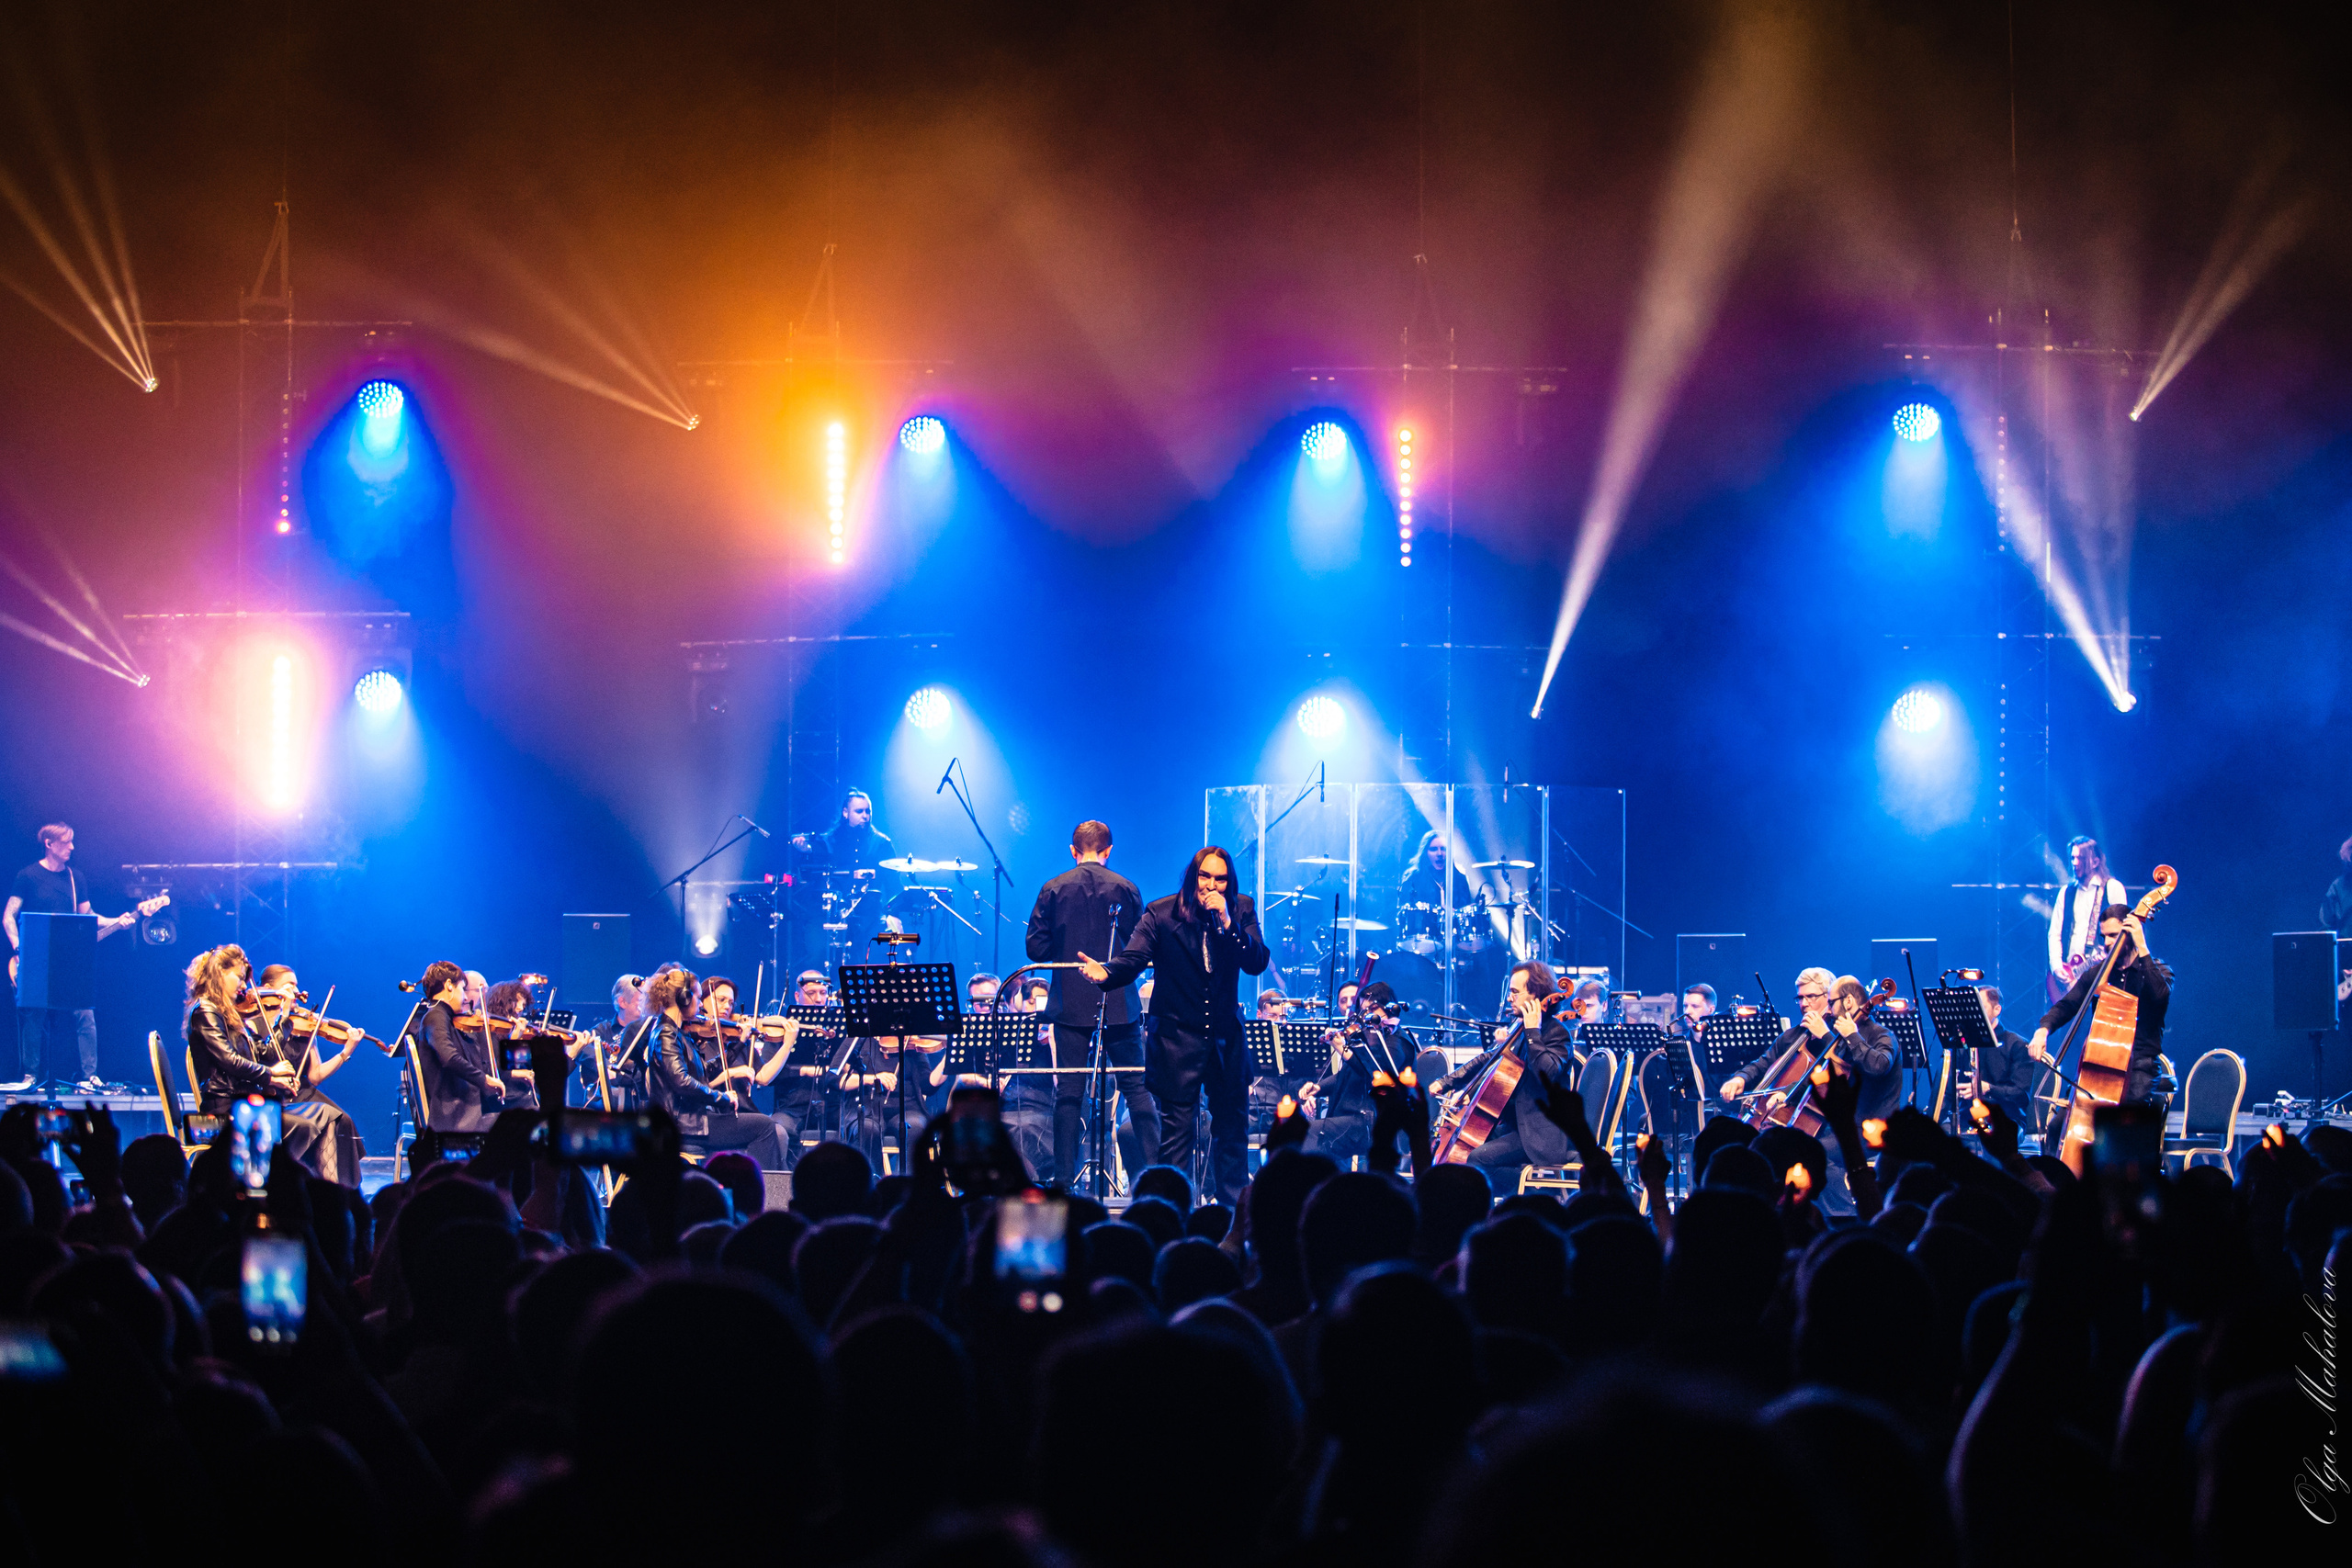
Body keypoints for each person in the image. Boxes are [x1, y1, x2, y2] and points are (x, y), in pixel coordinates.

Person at [1079, 845, 1269, 1206]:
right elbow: (1133, 958)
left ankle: (1230, 1219)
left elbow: (1257, 961)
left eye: (1220, 879)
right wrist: (1106, 972)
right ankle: (1172, 1217)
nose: (1211, 886)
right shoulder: (1162, 913)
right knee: (1177, 1137)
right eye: (1205, 876)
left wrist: (1228, 924)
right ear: (1192, 876)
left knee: (1232, 1133)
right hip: (1177, 1040)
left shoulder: (1240, 909)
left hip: (1225, 1040)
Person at [1025, 819, 1159, 1192]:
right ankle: (1157, 1179)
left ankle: (1064, 1182)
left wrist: (1067, 951)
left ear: (1073, 850)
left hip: (1069, 1003)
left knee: (1068, 1091)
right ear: (1108, 851)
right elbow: (1144, 947)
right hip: (1120, 1003)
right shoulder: (1127, 888)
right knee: (1136, 1087)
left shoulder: (1053, 889)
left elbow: (1035, 949)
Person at [183, 946, 359, 1185]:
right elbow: (228, 1060)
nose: (244, 985)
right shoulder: (205, 1011)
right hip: (225, 1108)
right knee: (307, 1123)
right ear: (220, 974)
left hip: (246, 1101)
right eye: (239, 977)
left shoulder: (231, 1016)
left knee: (331, 1116)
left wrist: (284, 1017)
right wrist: (270, 1076)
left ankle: (329, 1195)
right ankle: (280, 1186)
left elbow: (263, 1052)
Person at [5, 823, 158, 1091]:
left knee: (85, 1012)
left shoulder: (76, 878)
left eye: (72, 842)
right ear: (50, 844)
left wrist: (117, 921)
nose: (72, 847)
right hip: (36, 960)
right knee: (33, 1014)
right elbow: (9, 916)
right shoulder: (27, 876)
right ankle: (29, 1076)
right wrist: (20, 948)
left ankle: (90, 1076)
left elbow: (88, 916)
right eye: (66, 842)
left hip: (69, 960)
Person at [1438, 961, 1574, 1189]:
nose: (1509, 998)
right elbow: (1488, 1058)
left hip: (1540, 1134)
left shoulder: (1556, 1033)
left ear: (1536, 995)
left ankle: (1536, 1190)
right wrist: (1447, 1082)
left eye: (1515, 992)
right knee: (1462, 1150)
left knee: (1478, 1160)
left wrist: (1533, 1031)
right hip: (1515, 1126)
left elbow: (1545, 1074)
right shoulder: (1518, 1029)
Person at [2031, 903, 2171, 1110]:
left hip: (2139, 1065)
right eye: (2103, 936)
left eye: (2114, 935)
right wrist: (2043, 1030)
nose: (2106, 943)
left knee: (2120, 1126)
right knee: (2057, 1127)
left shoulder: (2156, 969)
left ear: (2130, 933)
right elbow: (2068, 1004)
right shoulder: (2098, 974)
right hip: (2099, 1065)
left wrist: (2142, 945)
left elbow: (2160, 996)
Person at [642, 967, 783, 1167]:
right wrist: (722, 1098)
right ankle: (767, 1195)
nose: (701, 1005)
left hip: (691, 1121)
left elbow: (704, 1071)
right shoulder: (666, 1034)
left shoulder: (676, 1033)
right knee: (765, 1126)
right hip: (683, 1125)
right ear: (684, 998)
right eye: (698, 998)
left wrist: (740, 1043)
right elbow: (682, 1082)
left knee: (762, 1125)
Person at [1299, 981, 1417, 1159]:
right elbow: (1349, 1073)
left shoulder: (1398, 1042)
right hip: (1354, 1118)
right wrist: (1319, 1088)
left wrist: (1343, 1050)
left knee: (1310, 1132)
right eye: (1363, 1011)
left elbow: (1376, 1075)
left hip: (1372, 1122)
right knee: (1304, 1133)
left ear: (1387, 1009)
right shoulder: (1371, 1037)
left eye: (1370, 1010)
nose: (1364, 1017)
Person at [409, 959, 506, 1135]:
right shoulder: (436, 1016)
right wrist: (485, 1079)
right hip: (454, 1115)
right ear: (449, 986)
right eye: (462, 988)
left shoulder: (442, 1016)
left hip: (460, 1109)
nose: (466, 997)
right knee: (517, 1126)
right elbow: (449, 1058)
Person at [2047, 836, 2126, 1001]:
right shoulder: (2066, 892)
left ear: (2095, 862)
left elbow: (2122, 932)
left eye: (2080, 858)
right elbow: (2054, 933)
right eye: (2072, 858)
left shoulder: (2112, 888)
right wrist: (2056, 967)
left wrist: (2107, 951)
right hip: (2070, 975)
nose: (2075, 863)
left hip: (2103, 974)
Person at [1958, 985, 2036, 1124]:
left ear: (1997, 1010)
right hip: (1966, 1117)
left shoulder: (2017, 1044)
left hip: (2006, 1118)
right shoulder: (1964, 1043)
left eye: (1980, 1007)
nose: (1973, 1012)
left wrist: (1988, 1089)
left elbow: (2021, 1094)